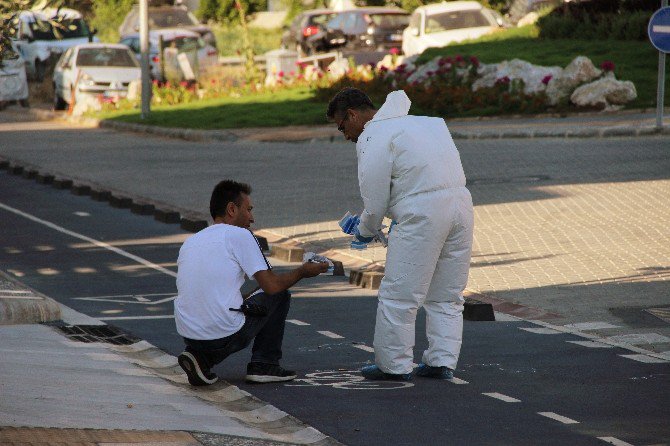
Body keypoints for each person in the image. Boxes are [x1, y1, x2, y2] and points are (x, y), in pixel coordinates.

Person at [326, 88, 474, 381]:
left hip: (421, 214)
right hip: (461, 207)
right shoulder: (430, 123)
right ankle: (441, 361)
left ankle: (394, 365)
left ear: (353, 115)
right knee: (446, 294)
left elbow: (375, 198)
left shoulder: (373, 135)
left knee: (399, 294)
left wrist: (365, 230)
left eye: (343, 126)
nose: (345, 136)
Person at [174, 180, 328, 386]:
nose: (252, 218)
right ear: (231, 209)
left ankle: (199, 357)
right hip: (221, 334)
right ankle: (264, 364)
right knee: (279, 295)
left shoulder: (192, 241)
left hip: (188, 333)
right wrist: (303, 271)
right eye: (248, 210)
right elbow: (272, 286)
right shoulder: (241, 235)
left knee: (250, 300)